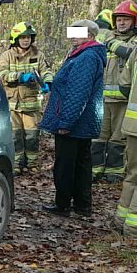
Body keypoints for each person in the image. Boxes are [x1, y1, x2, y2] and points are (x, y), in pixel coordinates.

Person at [39, 20, 107, 217]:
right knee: (80, 163)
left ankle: (63, 205)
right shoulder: (83, 54)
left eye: (78, 32)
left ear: (90, 36)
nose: (73, 36)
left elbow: (78, 93)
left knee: (66, 165)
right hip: (82, 120)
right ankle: (81, 205)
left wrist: (66, 123)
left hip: (75, 122)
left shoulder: (87, 57)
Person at [0, 22, 54, 174]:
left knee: (32, 136)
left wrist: (48, 82)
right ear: (15, 39)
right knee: (15, 136)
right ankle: (16, 164)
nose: (26, 40)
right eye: (22, 37)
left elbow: (46, 71)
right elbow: (1, 74)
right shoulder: (7, 56)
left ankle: (32, 164)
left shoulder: (38, 55)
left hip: (31, 104)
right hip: (12, 104)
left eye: (28, 37)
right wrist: (20, 77)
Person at [91, 0, 137, 182]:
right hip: (101, 100)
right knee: (98, 138)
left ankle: (114, 173)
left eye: (126, 19)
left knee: (118, 140)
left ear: (134, 22)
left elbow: (129, 52)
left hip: (123, 101)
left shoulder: (132, 41)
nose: (122, 23)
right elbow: (76, 35)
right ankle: (95, 171)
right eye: (118, 19)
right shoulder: (104, 37)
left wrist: (109, 40)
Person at [115, 36, 137, 237]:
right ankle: (133, 228)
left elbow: (124, 84)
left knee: (132, 175)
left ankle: (121, 219)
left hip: (132, 125)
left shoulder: (135, 52)